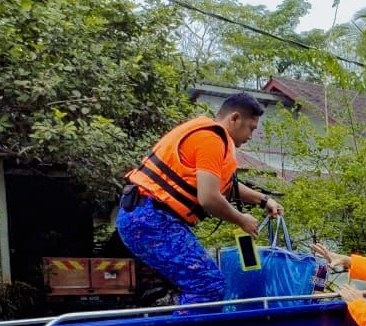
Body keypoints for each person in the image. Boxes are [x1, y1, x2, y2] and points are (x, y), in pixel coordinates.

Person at [116, 93, 283, 304]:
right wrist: (241, 219)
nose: (251, 136)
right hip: (152, 218)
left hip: (145, 216)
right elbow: (209, 198)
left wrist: (263, 200)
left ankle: (174, 321)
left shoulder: (208, 138)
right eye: (251, 128)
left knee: (193, 285)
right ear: (234, 118)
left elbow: (225, 187)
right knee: (208, 286)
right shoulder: (211, 140)